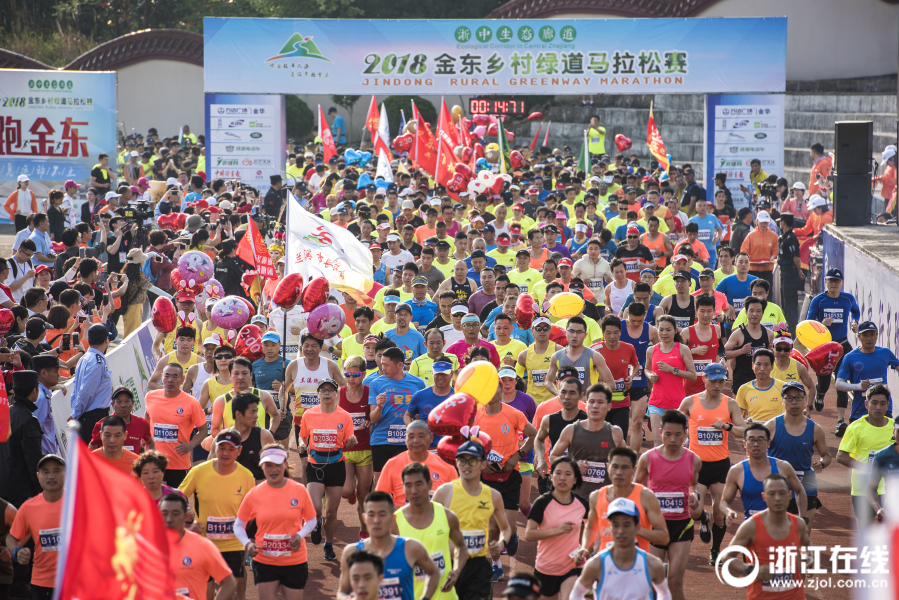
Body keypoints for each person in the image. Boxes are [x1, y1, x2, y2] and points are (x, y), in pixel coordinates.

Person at [677, 363, 748, 565]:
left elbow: (743, 431)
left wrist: (728, 426)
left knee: (719, 514)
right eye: (714, 381)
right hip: (696, 466)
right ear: (704, 379)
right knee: (694, 510)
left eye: (721, 381)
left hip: (720, 466)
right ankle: (703, 519)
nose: (717, 385)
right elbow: (675, 422)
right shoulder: (689, 402)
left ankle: (715, 550)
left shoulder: (730, 404)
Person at [432, 438, 513, 600]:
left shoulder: (493, 495)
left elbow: (505, 528)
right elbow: (429, 527)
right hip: (449, 565)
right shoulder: (444, 492)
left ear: (483, 464)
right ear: (456, 463)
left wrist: (501, 543)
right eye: (462, 460)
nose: (467, 465)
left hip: (478, 567)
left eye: (473, 461)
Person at [179, 430, 255, 600]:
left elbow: (252, 509)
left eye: (231, 449)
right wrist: (188, 521)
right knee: (206, 594)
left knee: (230, 592)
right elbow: (177, 497)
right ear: (214, 448)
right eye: (221, 448)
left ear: (239, 451)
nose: (225, 453)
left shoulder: (246, 476)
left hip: (234, 544)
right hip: (206, 543)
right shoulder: (198, 472)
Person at [234, 445, 317, 600]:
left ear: (285, 464)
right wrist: (247, 543)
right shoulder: (254, 494)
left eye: (277, 465)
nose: (273, 470)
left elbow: (312, 519)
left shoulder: (299, 490)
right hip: (264, 561)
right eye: (268, 465)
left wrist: (300, 535)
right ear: (262, 466)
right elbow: (239, 524)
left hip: (294, 560)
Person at [635, 409, 702, 600]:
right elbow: (636, 488)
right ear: (660, 431)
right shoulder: (647, 458)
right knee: (652, 581)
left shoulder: (694, 460)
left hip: (681, 524)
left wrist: (694, 496)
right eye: (668, 434)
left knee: (674, 581)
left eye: (678, 434)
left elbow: (693, 485)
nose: (673, 439)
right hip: (655, 525)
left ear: (685, 434)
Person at [474, 377, 536, 580]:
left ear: (501, 391)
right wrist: (482, 462)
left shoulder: (513, 414)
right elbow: (469, 444)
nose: (492, 392)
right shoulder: (476, 416)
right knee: (492, 528)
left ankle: (511, 537)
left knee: (507, 530)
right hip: (486, 478)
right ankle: (496, 565)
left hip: (510, 477)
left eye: (496, 388)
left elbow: (535, 434)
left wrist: (518, 454)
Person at [337, 492, 440, 600]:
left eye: (382, 514)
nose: (376, 521)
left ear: (393, 517)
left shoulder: (411, 547)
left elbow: (434, 572)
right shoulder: (351, 552)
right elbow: (342, 592)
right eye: (371, 515)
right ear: (364, 518)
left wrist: (425, 598)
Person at [723, 474, 810, 600]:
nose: (777, 498)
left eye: (782, 493)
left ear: (790, 495)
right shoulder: (751, 526)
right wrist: (752, 570)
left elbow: (805, 550)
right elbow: (727, 558)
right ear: (764, 497)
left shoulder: (799, 524)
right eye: (772, 494)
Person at [297, 378, 356, 560]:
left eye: (331, 390)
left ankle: (328, 544)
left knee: (331, 513)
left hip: (336, 466)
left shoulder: (344, 416)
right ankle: (315, 524)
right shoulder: (309, 414)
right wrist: (301, 445)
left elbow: (349, 440)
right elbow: (302, 437)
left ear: (336, 394)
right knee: (315, 507)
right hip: (315, 465)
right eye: (323, 390)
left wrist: (351, 442)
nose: (327, 393)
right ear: (318, 394)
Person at [394, 462, 469, 600]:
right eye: (408, 485)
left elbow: (462, 546)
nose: (414, 490)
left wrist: (456, 571)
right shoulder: (395, 522)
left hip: (445, 596)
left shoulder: (447, 516)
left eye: (418, 484)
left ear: (429, 484)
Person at [570, 497, 670, 600]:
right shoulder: (596, 565)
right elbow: (576, 595)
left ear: (638, 527)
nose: (621, 531)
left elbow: (665, 594)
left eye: (627, 525)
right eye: (615, 525)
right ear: (610, 527)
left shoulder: (652, 565)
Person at [580, 446, 669, 560]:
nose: (619, 472)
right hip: (606, 566)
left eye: (625, 467)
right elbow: (591, 528)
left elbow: (663, 537)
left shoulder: (646, 497)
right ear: (608, 467)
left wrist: (637, 530)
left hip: (637, 567)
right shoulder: (596, 496)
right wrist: (584, 547)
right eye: (615, 467)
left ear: (634, 471)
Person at [765, 382, 831, 532]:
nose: (794, 402)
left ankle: (804, 554)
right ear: (782, 400)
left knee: (804, 532)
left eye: (798, 398)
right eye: (789, 398)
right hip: (778, 485)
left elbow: (826, 455)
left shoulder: (815, 429)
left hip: (805, 483)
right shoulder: (771, 426)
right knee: (778, 532)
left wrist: (822, 463)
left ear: (805, 400)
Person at [524, 456, 589, 600]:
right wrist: (556, 531)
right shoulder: (542, 503)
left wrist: (584, 547)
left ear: (576, 479)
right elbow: (528, 534)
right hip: (547, 567)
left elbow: (591, 528)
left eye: (568, 474)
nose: (562, 478)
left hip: (573, 565)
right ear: (551, 477)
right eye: (558, 473)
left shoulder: (583, 504)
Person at [720, 423, 807, 525]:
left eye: (760, 440)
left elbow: (800, 490)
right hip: (751, 531)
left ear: (768, 443)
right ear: (744, 443)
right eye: (751, 440)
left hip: (780, 530)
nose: (756, 444)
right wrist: (728, 511)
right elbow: (724, 501)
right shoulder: (736, 471)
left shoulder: (783, 467)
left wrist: (803, 518)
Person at [550, 383, 626, 500]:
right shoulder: (571, 430)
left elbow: (627, 461)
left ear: (609, 406)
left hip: (606, 499)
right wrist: (572, 465)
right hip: (575, 498)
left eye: (600, 402)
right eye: (591, 402)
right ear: (586, 405)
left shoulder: (615, 433)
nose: (595, 406)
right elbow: (553, 456)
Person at [7, 454, 65, 600]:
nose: (51, 476)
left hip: (74, 581)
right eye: (46, 471)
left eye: (57, 470)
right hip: (42, 583)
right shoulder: (28, 507)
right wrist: (16, 552)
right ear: (38, 476)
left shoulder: (80, 502)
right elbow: (12, 537)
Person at [836, 385, 895, 526]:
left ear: (888, 405)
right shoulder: (855, 428)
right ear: (866, 404)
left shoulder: (895, 428)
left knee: (890, 536)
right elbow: (840, 456)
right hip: (863, 490)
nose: (878, 407)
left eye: (882, 403)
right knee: (867, 536)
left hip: (890, 489)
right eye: (874, 403)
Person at [161, 492, 238, 600]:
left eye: (175, 514)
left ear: (186, 516)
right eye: (164, 514)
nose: (169, 519)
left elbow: (229, 583)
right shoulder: (147, 547)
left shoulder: (203, 546)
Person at [805, 268, 859, 415]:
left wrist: (855, 321)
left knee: (841, 383)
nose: (834, 284)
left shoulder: (848, 299)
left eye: (837, 281)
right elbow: (808, 322)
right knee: (824, 384)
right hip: (824, 347)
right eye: (831, 280)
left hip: (842, 345)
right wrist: (821, 323)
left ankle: (841, 421)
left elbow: (856, 310)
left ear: (841, 283)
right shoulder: (819, 300)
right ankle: (820, 393)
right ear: (825, 282)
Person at [369, 347, 427, 481]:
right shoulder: (376, 383)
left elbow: (421, 413)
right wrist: (379, 407)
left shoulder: (418, 383)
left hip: (407, 440)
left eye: (386, 365)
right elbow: (373, 419)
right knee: (380, 483)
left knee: (404, 481)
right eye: (382, 364)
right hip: (381, 440)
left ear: (400, 365)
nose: (382, 368)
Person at [145, 363, 208, 487]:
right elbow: (147, 416)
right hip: (154, 462)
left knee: (177, 503)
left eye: (175, 376)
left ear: (182, 380)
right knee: (153, 502)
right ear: (161, 377)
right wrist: (146, 441)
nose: (170, 380)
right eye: (167, 376)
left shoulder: (191, 403)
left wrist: (190, 445)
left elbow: (204, 430)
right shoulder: (150, 397)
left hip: (178, 464)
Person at [835, 321, 899, 435]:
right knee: (857, 450)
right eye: (865, 335)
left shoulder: (885, 353)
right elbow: (839, 384)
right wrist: (858, 386)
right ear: (859, 337)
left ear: (876, 336)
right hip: (860, 411)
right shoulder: (850, 357)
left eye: (872, 334)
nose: (869, 338)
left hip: (883, 409)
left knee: (885, 447)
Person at [644, 316, 696, 444]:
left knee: (677, 443)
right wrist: (650, 375)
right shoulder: (651, 350)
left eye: (668, 330)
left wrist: (673, 370)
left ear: (675, 330)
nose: (664, 333)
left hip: (677, 404)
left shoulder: (682, 349)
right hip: (656, 402)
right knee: (658, 442)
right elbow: (647, 369)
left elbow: (693, 375)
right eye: (661, 330)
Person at [0, 371, 45, 508]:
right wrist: (41, 491)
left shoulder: (7, 413)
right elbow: (34, 461)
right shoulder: (28, 420)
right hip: (22, 492)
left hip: (3, 489)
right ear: (34, 391)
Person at [619, 302, 659, 451]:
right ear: (627, 314)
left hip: (640, 381)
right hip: (618, 382)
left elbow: (660, 351)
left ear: (645, 316)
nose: (636, 324)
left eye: (639, 321)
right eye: (632, 320)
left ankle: (633, 460)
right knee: (616, 426)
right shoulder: (618, 327)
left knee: (636, 422)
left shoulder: (651, 331)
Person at [545, 317, 614, 396]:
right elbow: (548, 381)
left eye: (579, 332)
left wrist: (589, 397)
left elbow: (611, 384)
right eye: (571, 331)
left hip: (587, 406)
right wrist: (559, 395)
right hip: (565, 406)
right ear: (566, 333)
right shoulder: (556, 356)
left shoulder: (595, 356)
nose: (574, 335)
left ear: (585, 335)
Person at [70, 323, 113, 443]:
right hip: (93, 417)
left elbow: (76, 389)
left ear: (88, 339)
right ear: (106, 340)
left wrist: (76, 411)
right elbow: (86, 392)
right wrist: (76, 414)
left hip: (87, 415)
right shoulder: (96, 361)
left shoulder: (85, 358)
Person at [725, 297, 774, 394]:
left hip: (761, 381)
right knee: (740, 409)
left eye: (758, 311)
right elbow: (724, 353)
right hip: (741, 381)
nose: (755, 314)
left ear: (762, 313)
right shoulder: (738, 334)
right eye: (751, 311)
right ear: (746, 312)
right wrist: (741, 351)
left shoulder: (769, 334)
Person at [89, 386, 153, 453]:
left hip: (133, 463)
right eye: (119, 402)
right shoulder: (102, 424)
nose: (123, 405)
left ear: (133, 403)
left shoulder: (142, 423)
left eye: (127, 401)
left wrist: (149, 460)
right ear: (112, 405)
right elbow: (92, 445)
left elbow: (150, 442)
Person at [228, 393, 276, 482]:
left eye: (256, 412)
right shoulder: (223, 439)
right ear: (238, 414)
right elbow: (212, 470)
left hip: (259, 491)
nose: (256, 416)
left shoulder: (264, 436)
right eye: (252, 412)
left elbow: (276, 470)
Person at [735, 349, 786, 422]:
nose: (762, 369)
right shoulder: (744, 389)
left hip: (777, 431)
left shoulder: (783, 387)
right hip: (754, 431)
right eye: (758, 364)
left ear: (772, 367)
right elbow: (738, 418)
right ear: (753, 366)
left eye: (766, 365)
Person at [770, 334, 817, 409]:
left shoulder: (799, 367)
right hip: (772, 411)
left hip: (793, 412)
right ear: (773, 348)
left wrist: (809, 406)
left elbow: (811, 387)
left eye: (786, 349)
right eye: (778, 349)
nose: (782, 352)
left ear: (791, 349)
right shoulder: (767, 367)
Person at [775, 213, 804, 332]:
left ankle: (792, 330)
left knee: (790, 303)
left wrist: (799, 271)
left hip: (790, 273)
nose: (779, 224)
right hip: (784, 272)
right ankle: (787, 327)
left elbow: (796, 258)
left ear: (784, 223)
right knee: (785, 302)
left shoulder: (791, 238)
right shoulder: (784, 237)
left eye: (780, 222)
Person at [740, 211, 778, 286]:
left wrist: (772, 257)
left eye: (765, 222)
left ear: (768, 223)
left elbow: (775, 251)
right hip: (753, 269)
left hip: (767, 268)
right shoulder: (751, 236)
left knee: (767, 291)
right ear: (757, 222)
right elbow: (744, 251)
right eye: (761, 222)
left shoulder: (773, 236)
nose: (763, 225)